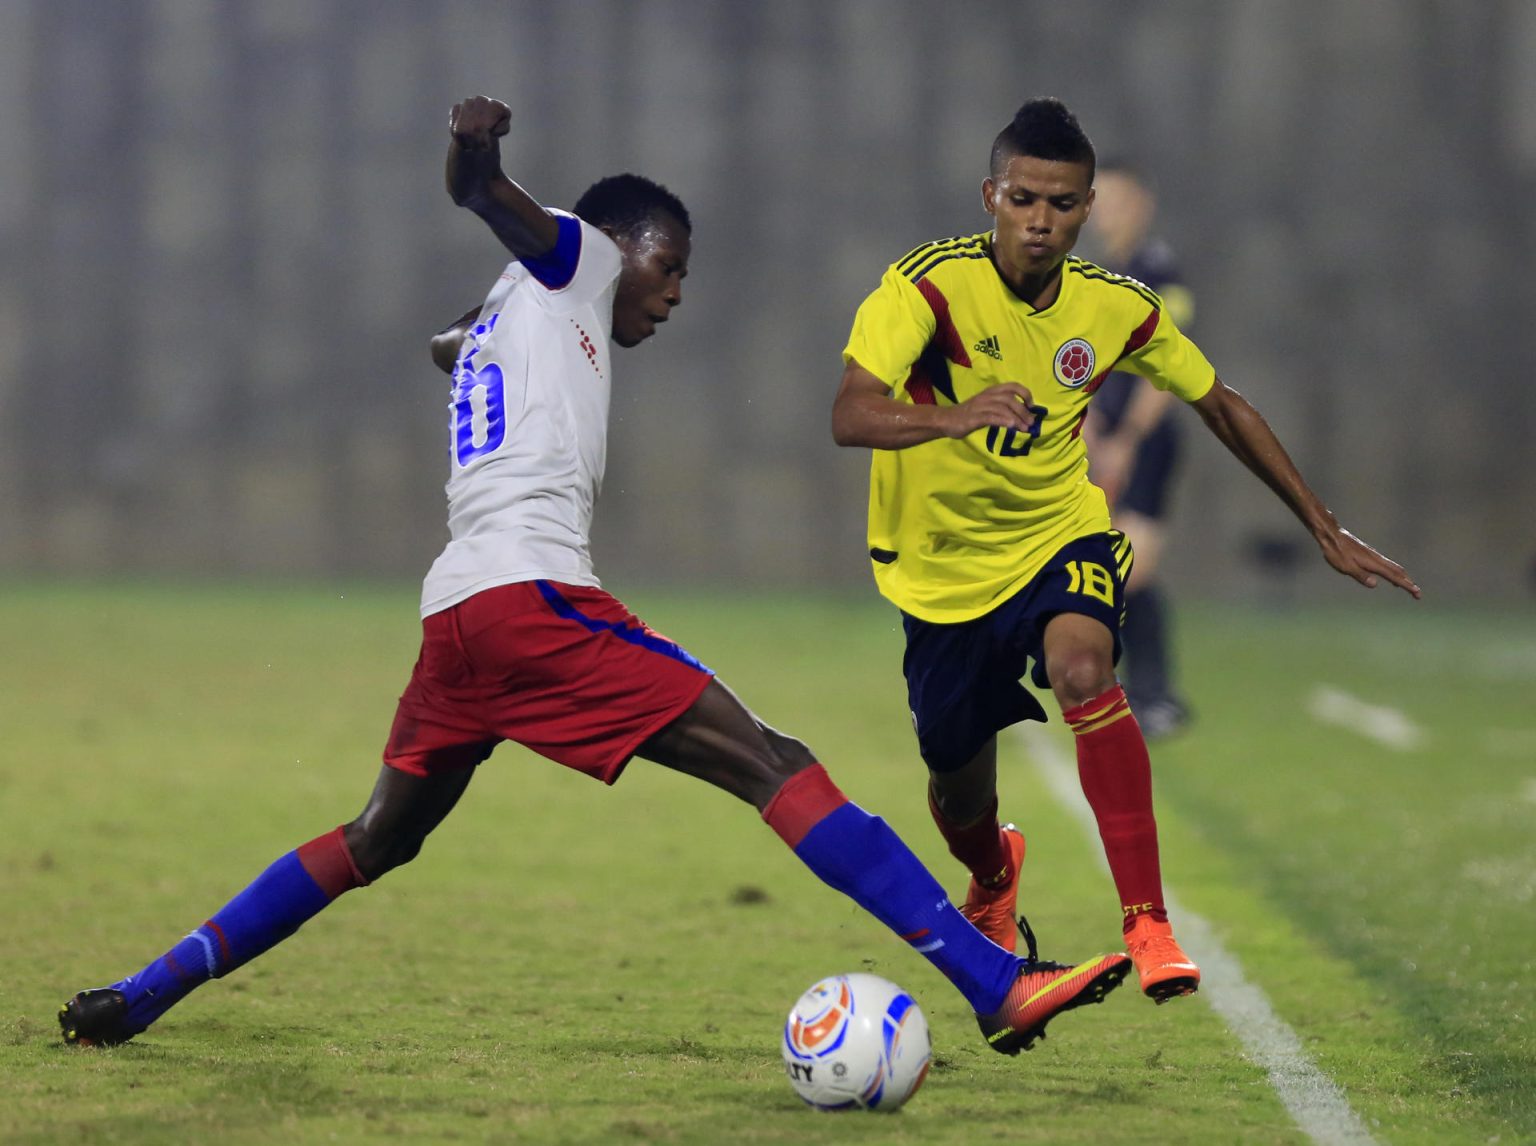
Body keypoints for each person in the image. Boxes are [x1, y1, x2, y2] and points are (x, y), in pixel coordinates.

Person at [58, 96, 1131, 1059]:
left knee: (377, 836)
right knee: (774, 761)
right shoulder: (579, 258)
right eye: (671, 270)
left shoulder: (511, 313)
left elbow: (456, 343)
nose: (670, 298)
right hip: (535, 600)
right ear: (626, 250)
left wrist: (459, 340)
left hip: (456, 617)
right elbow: (490, 201)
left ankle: (142, 994)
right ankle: (994, 984)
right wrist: (475, 155)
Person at [831, 98, 1419, 1004]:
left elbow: (1220, 401)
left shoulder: (1114, 308)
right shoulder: (925, 289)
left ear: (1088, 205)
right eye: (1023, 198)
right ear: (992, 194)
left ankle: (1148, 923)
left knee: (1083, 668)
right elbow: (851, 412)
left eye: (1062, 203)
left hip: (1058, 533)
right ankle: (993, 877)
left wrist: (1323, 525)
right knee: (958, 789)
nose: (1041, 220)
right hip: (939, 569)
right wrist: (956, 414)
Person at [1081, 160, 1195, 739]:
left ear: (1142, 204)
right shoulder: (1114, 275)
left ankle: (1155, 697)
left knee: (1131, 568)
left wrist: (1126, 438)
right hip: (1113, 443)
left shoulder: (1157, 270)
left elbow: (1166, 368)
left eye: (1117, 200)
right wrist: (1093, 423)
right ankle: (1138, 696)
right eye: (1101, 201)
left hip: (1146, 445)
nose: (1107, 211)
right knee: (1111, 569)